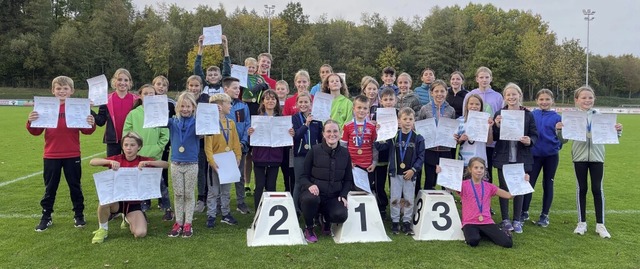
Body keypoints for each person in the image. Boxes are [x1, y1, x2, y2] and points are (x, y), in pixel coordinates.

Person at [28, 76, 96, 231]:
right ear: (53, 91)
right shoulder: (44, 107)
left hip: (72, 154)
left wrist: (90, 123)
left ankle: (79, 215)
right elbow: (35, 131)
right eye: (58, 88)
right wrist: (31, 120)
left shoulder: (77, 107)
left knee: (75, 186)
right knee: (50, 187)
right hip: (51, 154)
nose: (62, 91)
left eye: (65, 88)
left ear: (71, 91)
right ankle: (46, 216)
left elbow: (87, 131)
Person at [557, 86, 622, 238]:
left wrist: (618, 130)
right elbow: (563, 140)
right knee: (582, 189)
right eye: (584, 97)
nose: (587, 100)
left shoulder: (601, 116)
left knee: (597, 189)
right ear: (577, 100)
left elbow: (613, 137)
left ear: (594, 99)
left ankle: (601, 224)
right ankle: (582, 223)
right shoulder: (571, 117)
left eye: (590, 97)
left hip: (597, 157)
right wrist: (559, 130)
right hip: (579, 157)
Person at [89, 132, 169, 244]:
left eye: (132, 145)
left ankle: (127, 218)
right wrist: (109, 162)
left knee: (140, 233)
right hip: (116, 201)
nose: (129, 148)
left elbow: (166, 164)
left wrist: (148, 163)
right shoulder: (117, 159)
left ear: (139, 147)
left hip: (133, 203)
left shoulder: (142, 160)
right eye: (126, 145)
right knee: (104, 200)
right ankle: (103, 229)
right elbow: (92, 162)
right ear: (122, 146)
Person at [492, 83, 538, 234]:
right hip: (504, 156)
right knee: (504, 188)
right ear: (504, 97)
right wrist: (497, 126)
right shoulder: (499, 113)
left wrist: (529, 140)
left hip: (521, 157)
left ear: (519, 95)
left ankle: (517, 220)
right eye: (508, 95)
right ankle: (505, 219)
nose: (511, 97)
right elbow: (495, 137)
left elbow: (534, 134)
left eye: (514, 94)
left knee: (519, 189)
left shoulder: (528, 114)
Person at [298, 120, 352, 243]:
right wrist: (309, 185)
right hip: (314, 195)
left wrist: (343, 195)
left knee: (340, 215)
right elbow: (302, 176)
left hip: (333, 196)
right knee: (310, 199)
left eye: (335, 131)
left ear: (340, 133)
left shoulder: (345, 153)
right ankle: (309, 228)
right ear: (323, 133)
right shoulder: (314, 151)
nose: (332, 134)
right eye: (328, 131)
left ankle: (326, 220)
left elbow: (348, 179)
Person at [122, 84, 171, 216]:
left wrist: (158, 148)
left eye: (152, 94)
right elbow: (126, 133)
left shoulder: (159, 113)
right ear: (140, 96)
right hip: (138, 156)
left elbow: (165, 134)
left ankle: (167, 208)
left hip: (154, 156)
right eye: (146, 93)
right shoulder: (133, 114)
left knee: (160, 183)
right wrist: (133, 149)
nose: (149, 96)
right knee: (141, 185)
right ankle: (142, 210)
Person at [376, 108, 425, 235]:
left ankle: (407, 222)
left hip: (410, 174)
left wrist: (414, 170)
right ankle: (395, 222)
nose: (407, 122)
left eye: (410, 119)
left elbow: (421, 157)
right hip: (395, 173)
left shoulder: (418, 138)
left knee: (408, 198)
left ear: (414, 121)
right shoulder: (393, 136)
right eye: (405, 119)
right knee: (395, 197)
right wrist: (378, 133)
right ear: (399, 120)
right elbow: (380, 147)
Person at [521, 89, 564, 227]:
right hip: (533, 155)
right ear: (536, 101)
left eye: (547, 99)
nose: (544, 102)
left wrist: (560, 131)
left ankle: (544, 215)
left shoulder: (558, 118)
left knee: (548, 184)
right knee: (529, 184)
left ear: (552, 101)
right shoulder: (532, 115)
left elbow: (564, 140)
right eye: (541, 99)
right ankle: (524, 212)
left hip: (551, 156)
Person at [248, 90, 294, 210]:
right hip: (259, 157)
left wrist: (290, 133)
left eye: (273, 99)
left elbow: (287, 140)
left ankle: (269, 212)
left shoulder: (282, 119)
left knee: (271, 186)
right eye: (267, 99)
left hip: (275, 157)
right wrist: (250, 133)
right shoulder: (257, 119)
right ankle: (258, 213)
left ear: (277, 102)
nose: (270, 101)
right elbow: (250, 139)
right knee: (259, 186)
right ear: (263, 102)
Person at [456, 157, 516, 248]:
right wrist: (441, 172)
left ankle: (496, 232)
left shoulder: (489, 187)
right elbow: (448, 184)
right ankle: (481, 233)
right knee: (473, 241)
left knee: (507, 243)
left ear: (485, 170)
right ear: (469, 169)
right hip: (469, 222)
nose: (479, 170)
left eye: (481, 168)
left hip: (486, 222)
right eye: (476, 168)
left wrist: (522, 181)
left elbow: (509, 195)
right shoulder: (463, 185)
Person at [204, 93, 243, 228]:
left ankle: (226, 214)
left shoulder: (231, 123)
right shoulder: (210, 124)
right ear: (219, 107)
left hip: (229, 161)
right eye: (229, 103)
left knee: (226, 190)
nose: (231, 106)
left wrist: (237, 157)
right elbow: (207, 146)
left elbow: (236, 142)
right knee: (214, 191)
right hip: (215, 162)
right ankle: (211, 215)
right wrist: (211, 161)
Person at [166, 92, 199, 237]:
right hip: (176, 163)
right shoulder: (173, 122)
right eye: (182, 106)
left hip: (192, 163)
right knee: (178, 194)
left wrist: (214, 113)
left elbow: (211, 129)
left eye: (188, 106)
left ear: (193, 107)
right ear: (177, 107)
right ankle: (178, 222)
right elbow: (156, 120)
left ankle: (188, 223)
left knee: (188, 194)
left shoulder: (199, 122)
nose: (185, 109)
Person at [463, 66, 503, 185]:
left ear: (491, 78)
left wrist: (492, 126)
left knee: (486, 168)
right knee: (470, 168)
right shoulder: (470, 94)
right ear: (477, 79)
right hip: (471, 140)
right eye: (481, 77)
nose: (484, 80)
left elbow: (501, 115)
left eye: (487, 77)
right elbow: (465, 115)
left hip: (490, 139)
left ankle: (485, 194)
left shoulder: (497, 96)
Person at [417, 79, 456, 191]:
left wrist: (455, 136)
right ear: (431, 93)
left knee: (445, 178)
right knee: (430, 179)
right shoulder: (425, 109)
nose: (439, 94)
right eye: (437, 91)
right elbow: (419, 126)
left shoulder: (451, 110)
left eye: (442, 91)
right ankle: (427, 202)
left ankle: (447, 200)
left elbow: (453, 128)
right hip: (430, 148)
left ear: (446, 92)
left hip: (445, 149)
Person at [222, 77, 251, 214]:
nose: (238, 90)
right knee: (224, 177)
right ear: (225, 89)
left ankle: (241, 202)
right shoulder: (219, 105)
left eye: (239, 88)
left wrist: (243, 142)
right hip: (223, 149)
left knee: (240, 176)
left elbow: (247, 125)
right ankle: (222, 205)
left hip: (240, 147)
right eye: (235, 88)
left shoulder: (243, 106)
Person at [93, 68, 138, 157]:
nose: (122, 83)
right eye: (119, 79)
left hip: (132, 140)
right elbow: (101, 121)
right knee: (113, 168)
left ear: (130, 83)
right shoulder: (106, 99)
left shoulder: (136, 100)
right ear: (114, 81)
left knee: (131, 168)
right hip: (113, 140)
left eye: (126, 80)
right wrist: (88, 110)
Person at [292, 91, 323, 211]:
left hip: (314, 155)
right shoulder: (294, 118)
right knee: (299, 182)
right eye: (301, 102)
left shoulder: (317, 118)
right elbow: (296, 136)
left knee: (314, 182)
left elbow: (320, 138)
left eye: (306, 102)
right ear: (297, 104)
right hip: (299, 155)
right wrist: (306, 124)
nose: (303, 104)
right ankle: (296, 211)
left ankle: (313, 210)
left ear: (311, 104)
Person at [341, 95, 378, 194]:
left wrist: (374, 162)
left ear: (368, 110)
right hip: (353, 165)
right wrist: (348, 162)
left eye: (365, 108)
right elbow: (343, 146)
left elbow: (374, 146)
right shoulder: (347, 126)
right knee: (352, 190)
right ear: (353, 109)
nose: (361, 110)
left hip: (367, 165)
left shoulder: (372, 127)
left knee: (367, 190)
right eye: (359, 107)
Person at [187, 75, 211, 213]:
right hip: (189, 141)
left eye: (196, 85)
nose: (194, 88)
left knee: (203, 170)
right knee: (192, 171)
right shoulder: (184, 99)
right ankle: (191, 198)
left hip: (203, 141)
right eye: (191, 85)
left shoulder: (206, 100)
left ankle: (203, 198)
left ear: (201, 87)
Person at [373, 88, 397, 219]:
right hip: (381, 151)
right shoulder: (377, 115)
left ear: (396, 100)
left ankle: (396, 207)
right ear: (381, 101)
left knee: (395, 182)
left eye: (391, 99)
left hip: (397, 153)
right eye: (386, 99)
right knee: (379, 182)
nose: (388, 102)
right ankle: (381, 207)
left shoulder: (399, 113)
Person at [152, 75, 175, 215]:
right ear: (153, 85)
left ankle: (162, 200)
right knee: (147, 168)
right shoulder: (146, 101)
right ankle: (146, 199)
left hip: (164, 142)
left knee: (162, 170)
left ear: (167, 88)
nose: (161, 87)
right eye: (158, 84)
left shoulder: (171, 103)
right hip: (148, 141)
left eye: (164, 85)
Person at [457, 94, 494, 168]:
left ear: (481, 106)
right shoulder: (459, 121)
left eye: (477, 104)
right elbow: (454, 142)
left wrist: (489, 128)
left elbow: (489, 142)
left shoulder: (485, 120)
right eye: (471, 104)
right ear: (466, 105)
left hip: (480, 161)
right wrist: (461, 139)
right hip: (464, 161)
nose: (474, 106)